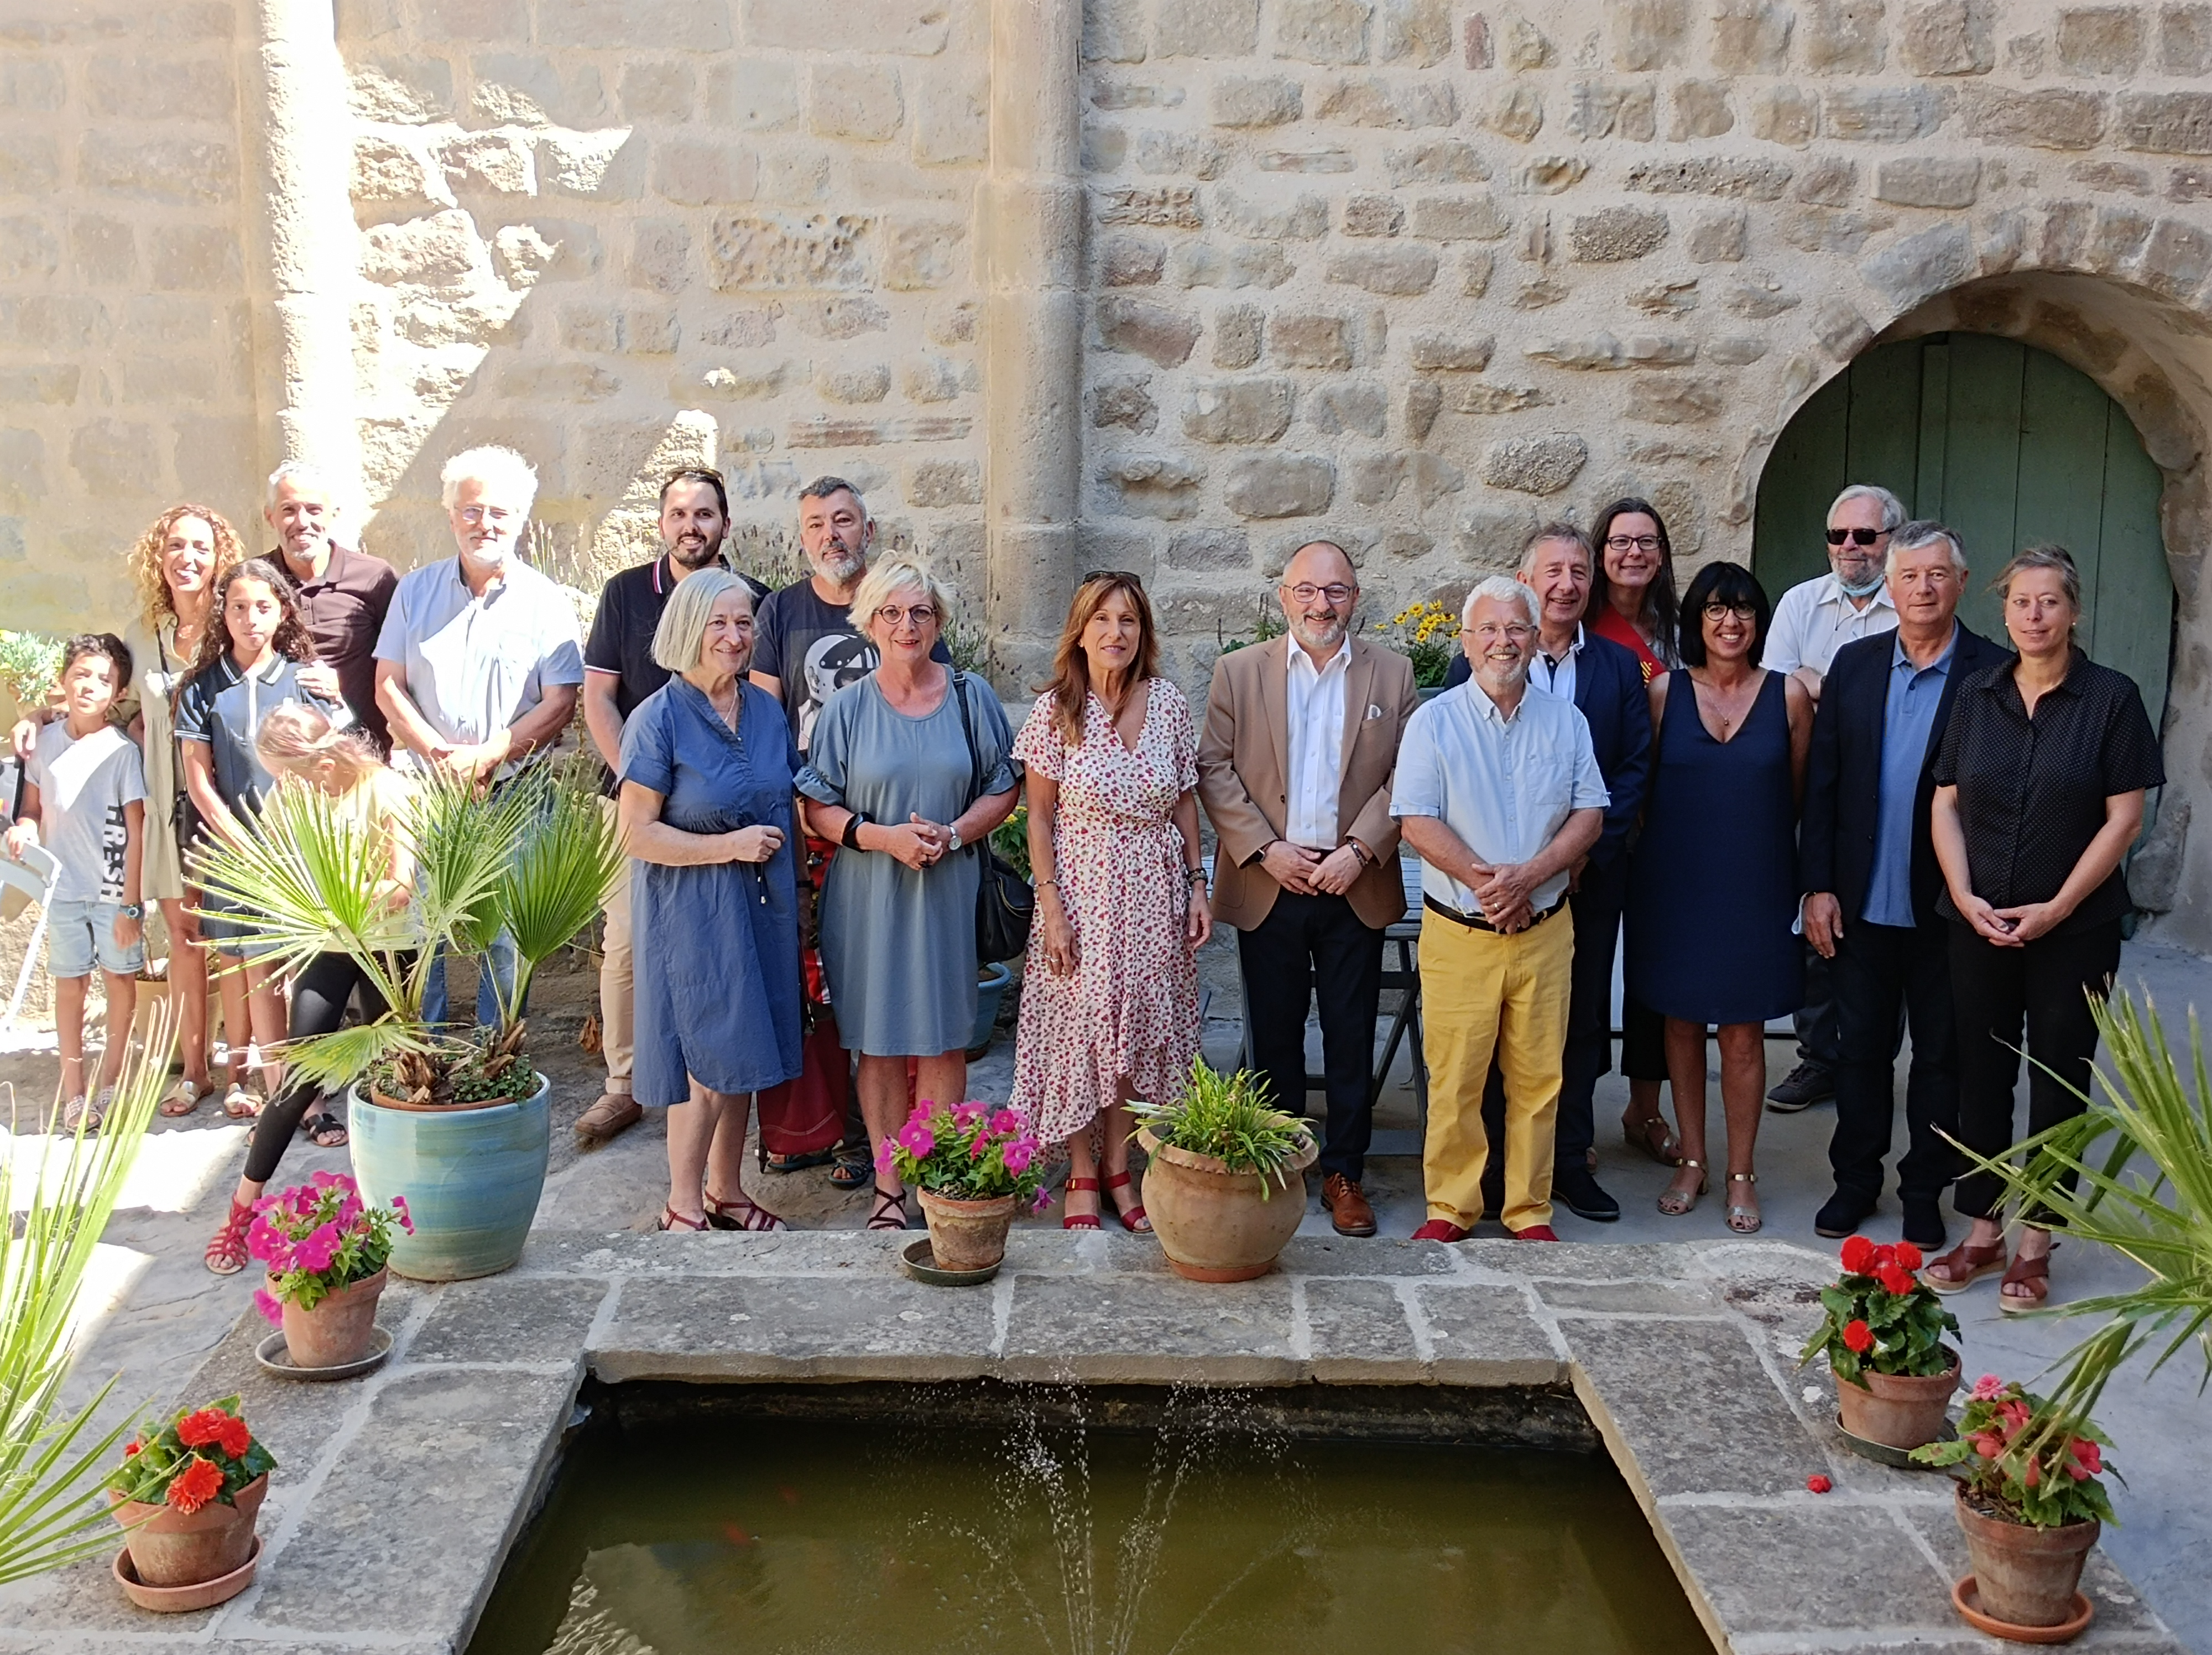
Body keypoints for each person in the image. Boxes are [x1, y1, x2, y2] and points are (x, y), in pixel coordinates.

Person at [1923, 547, 2163, 1310]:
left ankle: (2037, 1241)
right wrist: (1962, 894)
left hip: (2076, 928)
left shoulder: (2111, 699)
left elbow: (2124, 820)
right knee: (1980, 1073)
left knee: (2060, 1078)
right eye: (2021, 602)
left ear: (2074, 611)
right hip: (1978, 921)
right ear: (2003, 612)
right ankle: (1983, 1231)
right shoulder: (1976, 694)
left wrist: (2058, 907)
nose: (2034, 615)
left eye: (2049, 601)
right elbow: (1945, 801)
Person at [1801, 522, 2011, 1249]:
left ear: (1961, 582)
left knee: (1941, 1059)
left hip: (1948, 907)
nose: (1923, 588)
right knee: (1858, 1052)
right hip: (1859, 902)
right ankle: (1855, 1182)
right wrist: (1816, 886)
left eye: (1937, 575)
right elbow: (1823, 784)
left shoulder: (1994, 673)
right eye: (1910, 576)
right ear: (1889, 586)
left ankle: (1924, 1191)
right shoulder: (1855, 665)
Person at [795, 559, 1019, 1231]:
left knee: (946, 1041)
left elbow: (1004, 787)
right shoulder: (846, 708)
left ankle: (937, 1177)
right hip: (869, 895)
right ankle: (889, 1187)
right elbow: (814, 805)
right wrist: (881, 837)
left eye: (920, 612)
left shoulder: (971, 697)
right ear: (868, 623)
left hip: (948, 892)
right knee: (880, 1044)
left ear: (939, 621)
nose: (906, 625)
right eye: (891, 612)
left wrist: (953, 833)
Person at [1198, 544, 1413, 1237]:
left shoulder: (1392, 672)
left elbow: (1408, 773)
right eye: (1308, 591)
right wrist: (1266, 849)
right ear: (1284, 596)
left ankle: (1345, 1172)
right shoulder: (1238, 672)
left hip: (1354, 880)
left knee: (1351, 1033)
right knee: (1275, 1034)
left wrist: (1360, 850)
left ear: (1356, 597)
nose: (1322, 604)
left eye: (1337, 591)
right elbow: (1214, 767)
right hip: (1272, 879)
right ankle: (1280, 1163)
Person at [752, 475, 953, 1190]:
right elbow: (766, 717)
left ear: (867, 530)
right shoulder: (781, 611)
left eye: (842, 521)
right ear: (802, 537)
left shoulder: (905, 603)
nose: (830, 534)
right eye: (816, 524)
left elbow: (937, 706)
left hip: (900, 821)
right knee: (822, 987)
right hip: (815, 820)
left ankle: (904, 1146)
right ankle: (833, 1131)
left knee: (900, 987)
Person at [1447, 525, 1653, 1222]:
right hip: (1495, 889)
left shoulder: (1619, 668)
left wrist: (1574, 858)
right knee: (1490, 1027)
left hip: (1587, 879)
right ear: (1526, 582)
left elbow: (1631, 771)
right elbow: (1457, 775)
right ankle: (1493, 1168)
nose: (1567, 584)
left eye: (1579, 572)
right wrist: (1505, 878)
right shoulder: (1476, 662)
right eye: (1553, 571)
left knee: (1579, 1020)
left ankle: (1567, 1159)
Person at [12, 506, 247, 1115]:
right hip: (166, 800)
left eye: (200, 547)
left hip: (230, 793)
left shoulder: (236, 618)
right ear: (158, 557)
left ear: (218, 556)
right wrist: (39, 714)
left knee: (237, 937)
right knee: (184, 935)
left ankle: (244, 1073)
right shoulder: (143, 635)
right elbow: (110, 706)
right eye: (175, 546)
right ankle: (196, 1072)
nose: (187, 558)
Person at [1394, 576, 1607, 1243]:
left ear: (1536, 638)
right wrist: (1490, 885)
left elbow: (1590, 814)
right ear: (1465, 641)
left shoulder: (1566, 722)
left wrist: (1530, 878)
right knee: (1456, 1079)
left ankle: (1528, 1210)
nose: (1502, 641)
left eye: (1515, 628)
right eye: (1487, 629)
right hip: (1460, 932)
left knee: (1539, 1079)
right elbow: (1415, 820)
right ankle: (1450, 1207)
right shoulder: (1433, 722)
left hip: (1543, 931)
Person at [577, 466, 769, 1148]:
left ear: (725, 524)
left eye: (705, 514)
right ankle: (625, 1083)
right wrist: (643, 777)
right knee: (629, 943)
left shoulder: (751, 600)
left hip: (726, 808)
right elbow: (599, 697)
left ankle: (718, 1080)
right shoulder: (627, 592)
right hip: (639, 798)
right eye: (679, 514)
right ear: (662, 523)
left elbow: (758, 702)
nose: (692, 526)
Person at [1019, 571, 1213, 1232]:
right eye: (1101, 619)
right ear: (1080, 631)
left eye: (1128, 620)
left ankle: (1119, 1168)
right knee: (1082, 1030)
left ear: (1142, 632)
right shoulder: (1055, 711)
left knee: (1136, 1031)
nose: (1115, 632)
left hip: (1155, 889)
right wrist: (1051, 907)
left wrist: (1197, 884)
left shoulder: (1169, 703)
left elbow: (1184, 800)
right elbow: (1037, 817)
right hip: (1081, 888)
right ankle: (1080, 1169)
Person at [1628, 562, 1812, 1234]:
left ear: (1759, 622)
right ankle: (1692, 1160)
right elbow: (1642, 793)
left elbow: (1796, 792)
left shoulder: (1789, 696)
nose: (1729, 622)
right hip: (1675, 883)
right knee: (1679, 1023)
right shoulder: (1663, 693)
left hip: (1756, 882)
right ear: (1695, 620)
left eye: (1742, 610)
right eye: (1715, 609)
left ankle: (1741, 1172)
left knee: (1742, 1032)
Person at [373, 445, 584, 1029]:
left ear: (520, 520)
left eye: (498, 512)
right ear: (451, 517)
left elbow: (560, 701)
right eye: (471, 510)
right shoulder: (413, 592)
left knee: (509, 934)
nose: (484, 523)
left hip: (514, 792)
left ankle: (497, 1056)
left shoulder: (546, 601)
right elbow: (387, 686)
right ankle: (428, 1053)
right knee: (424, 930)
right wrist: (442, 757)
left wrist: (488, 756)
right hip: (427, 789)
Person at [618, 570, 804, 1233]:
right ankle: (683, 1203)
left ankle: (727, 1191)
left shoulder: (763, 710)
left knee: (745, 1051)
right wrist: (728, 846)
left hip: (764, 906)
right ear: (688, 629)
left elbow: (788, 798)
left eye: (744, 623)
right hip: (693, 913)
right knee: (708, 1059)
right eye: (718, 623)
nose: (734, 636)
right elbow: (637, 834)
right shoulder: (657, 720)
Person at [201, 704, 415, 1274]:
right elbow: (278, 872)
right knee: (297, 1080)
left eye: (288, 776)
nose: (283, 789)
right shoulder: (288, 796)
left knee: (394, 1082)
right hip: (330, 945)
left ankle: (393, 1211)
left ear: (322, 764)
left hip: (390, 947)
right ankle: (240, 1213)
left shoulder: (385, 788)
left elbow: (402, 884)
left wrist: (343, 902)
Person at [176, 558, 348, 1120]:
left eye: (263, 607)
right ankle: (283, 1099)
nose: (251, 618)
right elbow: (200, 782)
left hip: (302, 850)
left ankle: (312, 1092)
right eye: (239, 607)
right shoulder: (203, 688)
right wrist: (243, 846)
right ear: (223, 614)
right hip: (239, 856)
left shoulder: (303, 680)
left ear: (282, 614)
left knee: (308, 972)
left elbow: (335, 759)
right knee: (259, 973)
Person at [1761, 484, 1907, 1114]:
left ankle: (1870, 1059)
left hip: (1885, 789)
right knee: (1813, 918)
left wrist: (1819, 686)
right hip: (1810, 783)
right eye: (1838, 535)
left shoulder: (1910, 602)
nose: (1850, 546)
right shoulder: (1801, 602)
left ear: (1891, 542)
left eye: (1865, 535)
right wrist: (1847, 691)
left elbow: (1899, 700)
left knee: (1880, 925)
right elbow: (1776, 691)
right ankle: (1819, 1058)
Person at [4, 635, 145, 1132]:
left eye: (104, 680)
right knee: (70, 985)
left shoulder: (123, 752)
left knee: (119, 982)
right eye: (81, 675)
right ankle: (74, 1092)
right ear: (62, 680)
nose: (90, 686)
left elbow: (136, 829)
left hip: (111, 889)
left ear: (118, 692)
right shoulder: (44, 744)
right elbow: (32, 808)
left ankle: (111, 1083)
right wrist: (24, 828)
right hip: (63, 890)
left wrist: (131, 905)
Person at [1584, 497, 1683, 1172]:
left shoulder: (1681, 629)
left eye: (1646, 542)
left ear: (1662, 554)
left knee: (1654, 972)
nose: (1633, 554)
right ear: (1600, 553)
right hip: (1602, 820)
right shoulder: (1583, 627)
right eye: (1620, 542)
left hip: (1670, 820)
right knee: (1587, 974)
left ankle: (1644, 1108)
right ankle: (1579, 1115)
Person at [264, 462, 399, 750]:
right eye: (289, 510)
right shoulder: (254, 581)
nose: (302, 522)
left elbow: (401, 665)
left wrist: (343, 688)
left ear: (334, 514)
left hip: (360, 751)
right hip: (279, 755)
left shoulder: (374, 577)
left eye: (314, 510)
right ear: (270, 517)